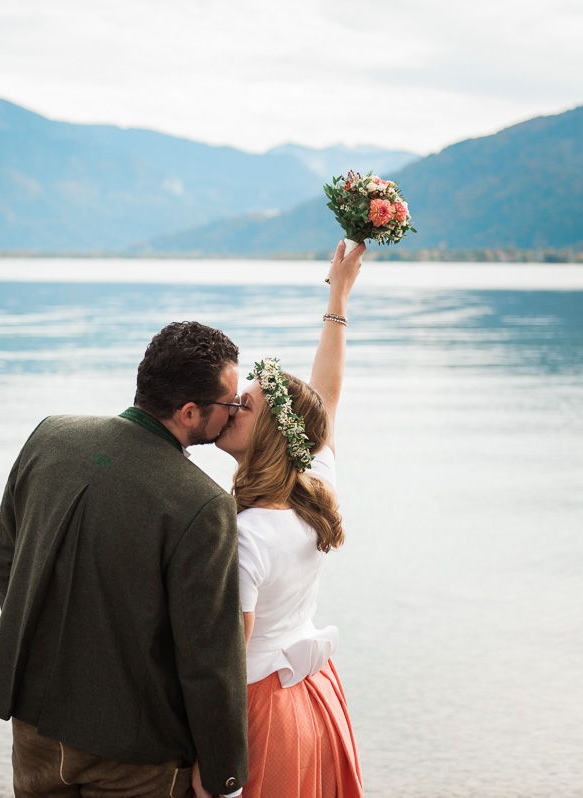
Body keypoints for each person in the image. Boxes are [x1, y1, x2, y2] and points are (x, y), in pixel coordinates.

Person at [0, 321, 250, 798]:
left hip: (34, 726)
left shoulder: (50, 436)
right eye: (228, 404)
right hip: (135, 751)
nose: (233, 413)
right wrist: (223, 769)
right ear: (189, 412)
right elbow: (208, 659)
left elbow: (6, 560)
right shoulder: (203, 505)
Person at [207, 240, 366, 798]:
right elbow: (327, 395)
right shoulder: (312, 484)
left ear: (272, 435)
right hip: (312, 698)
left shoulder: (247, 534)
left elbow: (225, 661)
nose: (228, 410)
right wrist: (338, 296)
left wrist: (214, 774)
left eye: (243, 407)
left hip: (260, 712)